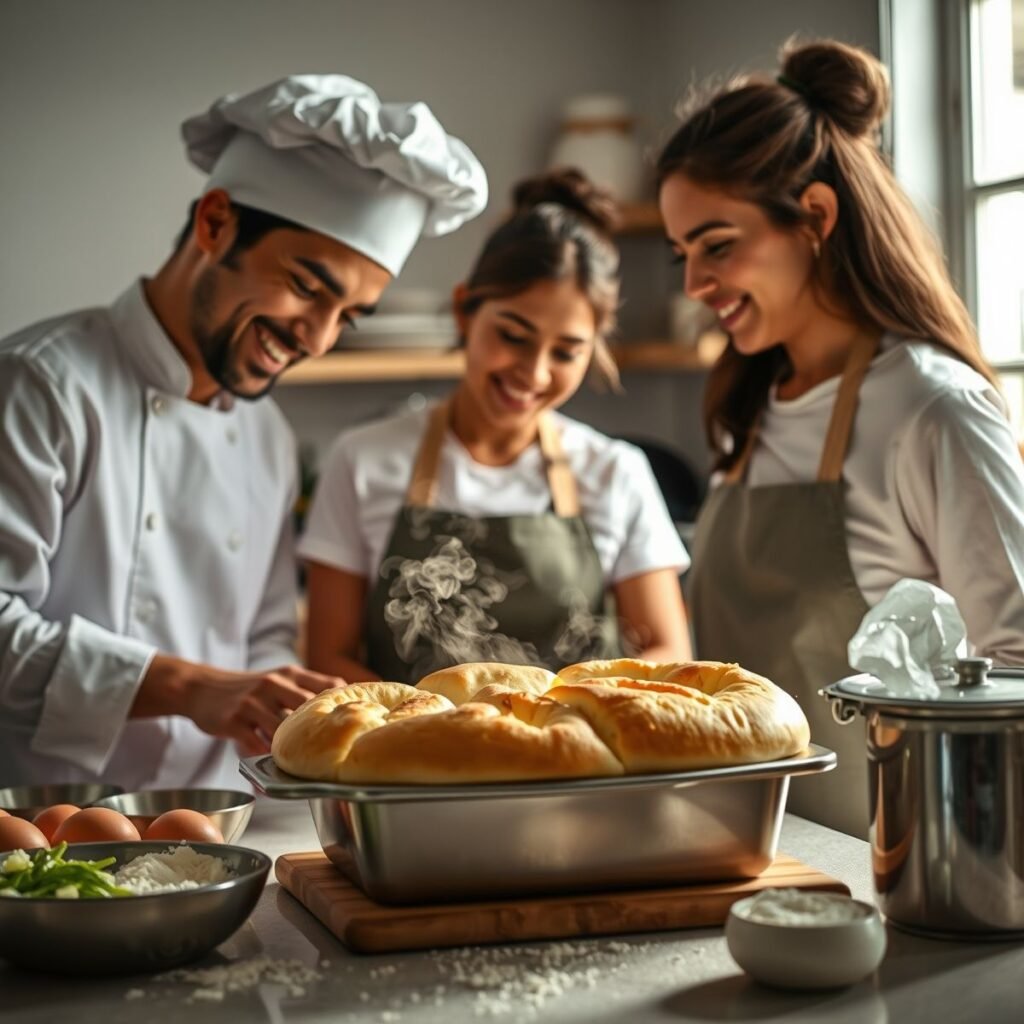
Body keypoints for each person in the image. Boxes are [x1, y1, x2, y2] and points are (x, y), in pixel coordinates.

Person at [0, 74, 487, 790]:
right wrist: (191, 687)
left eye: (347, 315)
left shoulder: (266, 436)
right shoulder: (40, 386)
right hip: (35, 824)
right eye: (307, 286)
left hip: (219, 819)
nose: (318, 339)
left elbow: (262, 639)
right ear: (215, 224)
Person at [656, 39, 1024, 838]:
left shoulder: (932, 409)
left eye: (717, 245)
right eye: (682, 253)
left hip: (893, 870)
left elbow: (1017, 660)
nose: (693, 284)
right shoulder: (751, 407)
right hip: (742, 853)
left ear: (815, 217)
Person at [300, 169, 692, 684]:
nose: (534, 372)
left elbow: (668, 650)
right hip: (413, 755)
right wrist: (442, 726)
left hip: (577, 755)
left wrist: (551, 714)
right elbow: (326, 657)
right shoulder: (363, 459)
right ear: (465, 311)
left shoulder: (616, 471)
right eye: (513, 335)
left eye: (567, 352)